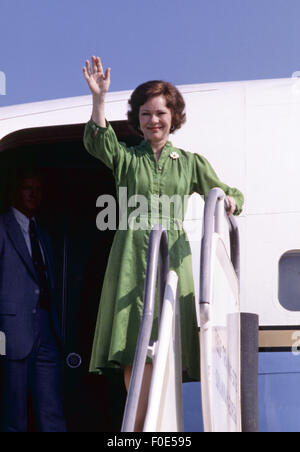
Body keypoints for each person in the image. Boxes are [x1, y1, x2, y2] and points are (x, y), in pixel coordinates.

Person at [83, 56, 244, 431]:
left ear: (174, 116)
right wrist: (99, 100)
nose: (153, 121)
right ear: (137, 120)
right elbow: (97, 144)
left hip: (174, 256)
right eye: (145, 114)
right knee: (133, 348)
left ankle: (148, 429)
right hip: (130, 258)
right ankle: (139, 430)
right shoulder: (127, 159)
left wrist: (232, 199)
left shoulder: (189, 162)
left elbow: (223, 190)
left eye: (160, 113)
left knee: (166, 343)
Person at [0, 169, 67, 432]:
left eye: (37, 189)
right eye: (27, 188)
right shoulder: (2, 226)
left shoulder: (42, 232)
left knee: (51, 408)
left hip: (46, 329)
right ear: (15, 191)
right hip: (11, 333)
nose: (33, 194)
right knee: (13, 413)